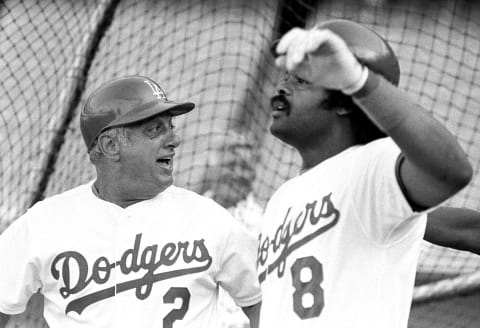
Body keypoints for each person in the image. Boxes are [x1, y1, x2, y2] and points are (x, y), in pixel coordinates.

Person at [256, 19, 473, 328]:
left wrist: (360, 82)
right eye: (287, 76)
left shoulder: (373, 164)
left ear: (345, 102)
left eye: (301, 81)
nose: (281, 88)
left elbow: (452, 172)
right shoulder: (282, 199)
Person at [0, 76, 261, 328]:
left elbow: (265, 302)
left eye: (171, 127)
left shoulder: (209, 219)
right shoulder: (46, 222)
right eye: (155, 129)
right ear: (111, 145)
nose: (174, 140)